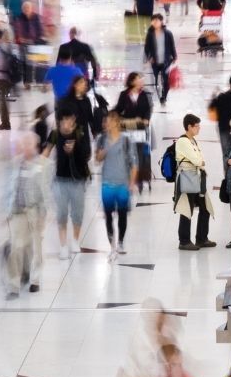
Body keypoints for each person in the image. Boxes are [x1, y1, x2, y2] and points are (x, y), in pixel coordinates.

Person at [4, 141, 48, 297]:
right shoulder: (15, 164)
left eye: (29, 145)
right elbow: (9, 188)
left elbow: (45, 192)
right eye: (24, 145)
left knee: (35, 249)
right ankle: (13, 284)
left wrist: (43, 216)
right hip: (17, 212)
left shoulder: (41, 165)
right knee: (15, 248)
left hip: (34, 212)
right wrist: (6, 211)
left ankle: (34, 280)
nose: (25, 148)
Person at [47, 112, 92, 258]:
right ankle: (63, 245)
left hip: (77, 180)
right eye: (65, 119)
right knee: (61, 213)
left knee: (77, 213)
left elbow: (87, 154)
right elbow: (46, 151)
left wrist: (75, 149)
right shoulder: (55, 134)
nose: (67, 122)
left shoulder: (80, 134)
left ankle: (75, 240)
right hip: (60, 180)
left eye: (70, 119)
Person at [97, 113, 139, 259]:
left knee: (122, 214)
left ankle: (120, 241)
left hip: (123, 184)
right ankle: (112, 245)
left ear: (116, 123)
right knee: (108, 215)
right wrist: (102, 152)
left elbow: (134, 164)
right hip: (107, 183)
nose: (105, 124)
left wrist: (132, 183)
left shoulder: (127, 141)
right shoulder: (102, 139)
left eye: (108, 121)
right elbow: (97, 159)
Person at [174, 113, 215, 251]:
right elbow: (198, 160)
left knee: (205, 208)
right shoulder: (183, 141)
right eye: (197, 126)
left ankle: (201, 238)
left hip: (196, 177)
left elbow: (199, 160)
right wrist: (200, 162)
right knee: (187, 209)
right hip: (187, 178)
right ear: (189, 127)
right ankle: (184, 241)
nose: (199, 128)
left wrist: (200, 162)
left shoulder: (193, 141)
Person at [143, 15, 178, 108]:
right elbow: (147, 47)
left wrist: (175, 56)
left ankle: (164, 96)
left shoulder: (168, 33)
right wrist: (148, 58)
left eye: (157, 20)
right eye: (153, 21)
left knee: (166, 80)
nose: (155, 22)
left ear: (161, 21)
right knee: (156, 81)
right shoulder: (150, 34)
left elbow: (172, 45)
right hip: (155, 61)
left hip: (166, 61)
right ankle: (159, 94)